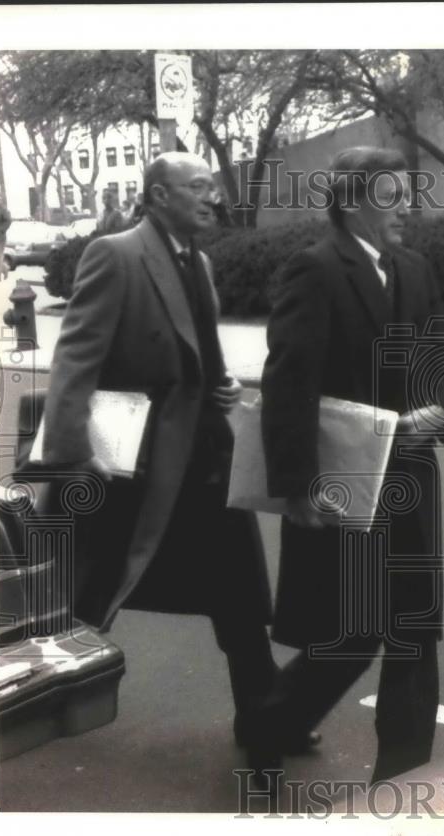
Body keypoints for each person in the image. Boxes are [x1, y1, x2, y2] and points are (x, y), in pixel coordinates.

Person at [40, 152, 278, 769]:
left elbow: (197, 356)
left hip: (203, 464)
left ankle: (263, 722)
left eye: (212, 188)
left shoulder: (198, 261)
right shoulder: (116, 256)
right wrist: (72, 454)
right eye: (197, 188)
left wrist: (220, 390)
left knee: (240, 595)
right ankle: (29, 698)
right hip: (136, 470)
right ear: (158, 195)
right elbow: (75, 360)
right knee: (87, 594)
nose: (212, 198)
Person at [257, 146, 444, 782]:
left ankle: (403, 779)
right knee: (348, 634)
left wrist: (442, 413)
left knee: (412, 630)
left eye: (408, 192)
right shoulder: (316, 270)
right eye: (392, 194)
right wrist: (295, 489)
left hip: (411, 479)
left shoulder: (413, 268)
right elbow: (288, 384)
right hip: (346, 485)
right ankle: (272, 724)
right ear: (353, 202)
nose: (407, 205)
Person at [0, 192, 12, 279]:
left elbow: (8, 221)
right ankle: (5, 268)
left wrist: (1, 230)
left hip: (0, 238)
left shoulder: (3, 209)